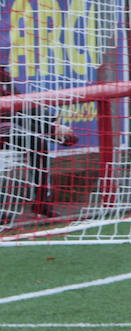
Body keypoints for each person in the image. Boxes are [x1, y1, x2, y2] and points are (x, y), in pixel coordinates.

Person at [0, 66, 77, 227]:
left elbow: (20, 105)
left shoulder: (2, 75)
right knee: (13, 131)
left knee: (37, 144)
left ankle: (41, 203)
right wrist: (49, 129)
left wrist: (51, 122)